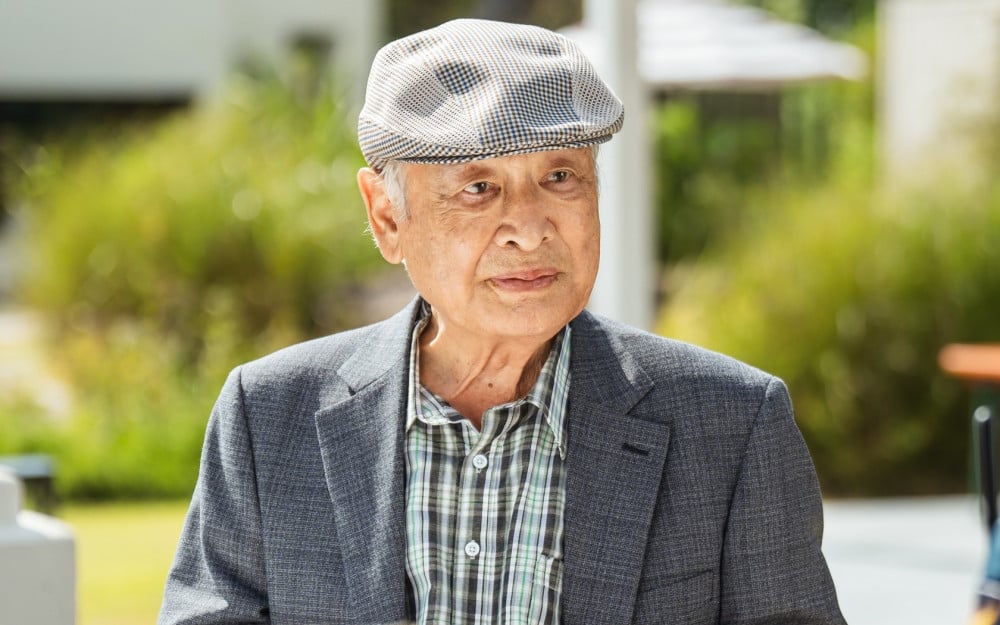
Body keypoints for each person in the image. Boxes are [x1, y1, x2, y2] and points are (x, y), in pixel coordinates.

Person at [159, 18, 845, 625]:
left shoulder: (734, 423)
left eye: (560, 177)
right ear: (387, 217)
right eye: (479, 187)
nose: (529, 227)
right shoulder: (267, 416)